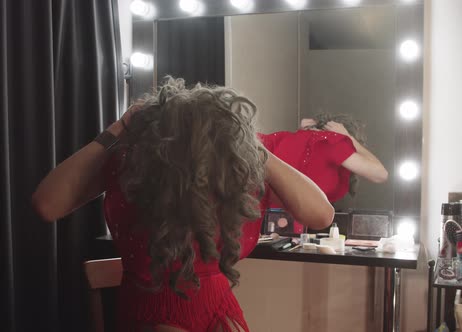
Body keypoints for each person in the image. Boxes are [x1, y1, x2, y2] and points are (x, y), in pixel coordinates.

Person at [31, 77, 334, 332]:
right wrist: (118, 130)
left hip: (212, 307)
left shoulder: (228, 172)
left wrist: (248, 145)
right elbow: (47, 204)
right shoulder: (132, 169)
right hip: (155, 310)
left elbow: (321, 215)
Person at [258, 114, 388, 233]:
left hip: (258, 223)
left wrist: (302, 135)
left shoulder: (283, 138)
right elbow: (380, 174)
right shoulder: (332, 142)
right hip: (285, 230)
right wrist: (349, 138)